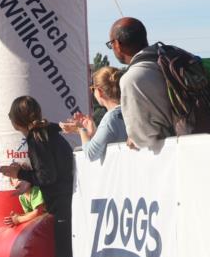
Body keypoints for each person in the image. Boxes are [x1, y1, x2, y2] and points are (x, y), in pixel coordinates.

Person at [0, 96, 77, 257]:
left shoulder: (37, 137)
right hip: (68, 200)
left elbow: (47, 176)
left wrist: (20, 175)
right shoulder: (48, 133)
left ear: (16, 122)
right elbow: (49, 172)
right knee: (64, 256)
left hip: (62, 204)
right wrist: (26, 179)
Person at [107, 17, 174, 151]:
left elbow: (141, 138)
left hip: (171, 160)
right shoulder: (169, 59)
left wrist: (134, 139)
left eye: (110, 44)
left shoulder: (131, 79)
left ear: (117, 45)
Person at [60, 66, 128, 161]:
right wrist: (93, 133)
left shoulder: (110, 118)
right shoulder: (131, 111)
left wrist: (81, 129)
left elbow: (90, 154)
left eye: (93, 89)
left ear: (99, 92)